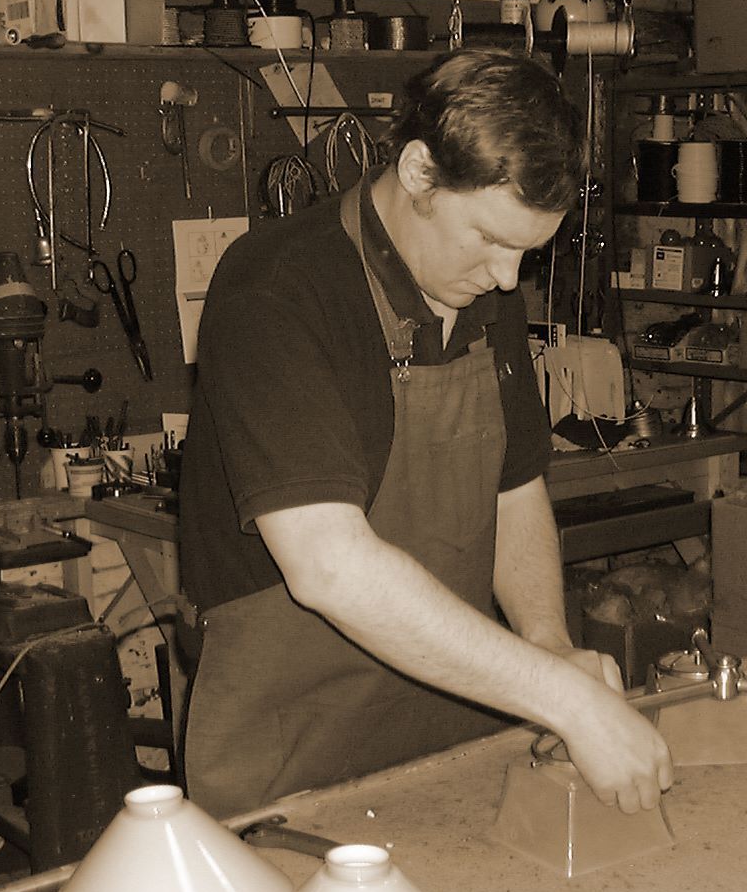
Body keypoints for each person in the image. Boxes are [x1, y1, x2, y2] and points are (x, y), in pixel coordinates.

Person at [178, 48, 673, 819]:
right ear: (418, 174)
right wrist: (565, 701)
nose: (508, 279)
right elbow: (329, 566)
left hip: (449, 738)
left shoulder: (479, 286)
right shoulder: (275, 289)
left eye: (526, 253)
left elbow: (513, 486)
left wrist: (545, 639)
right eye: (488, 238)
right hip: (291, 763)